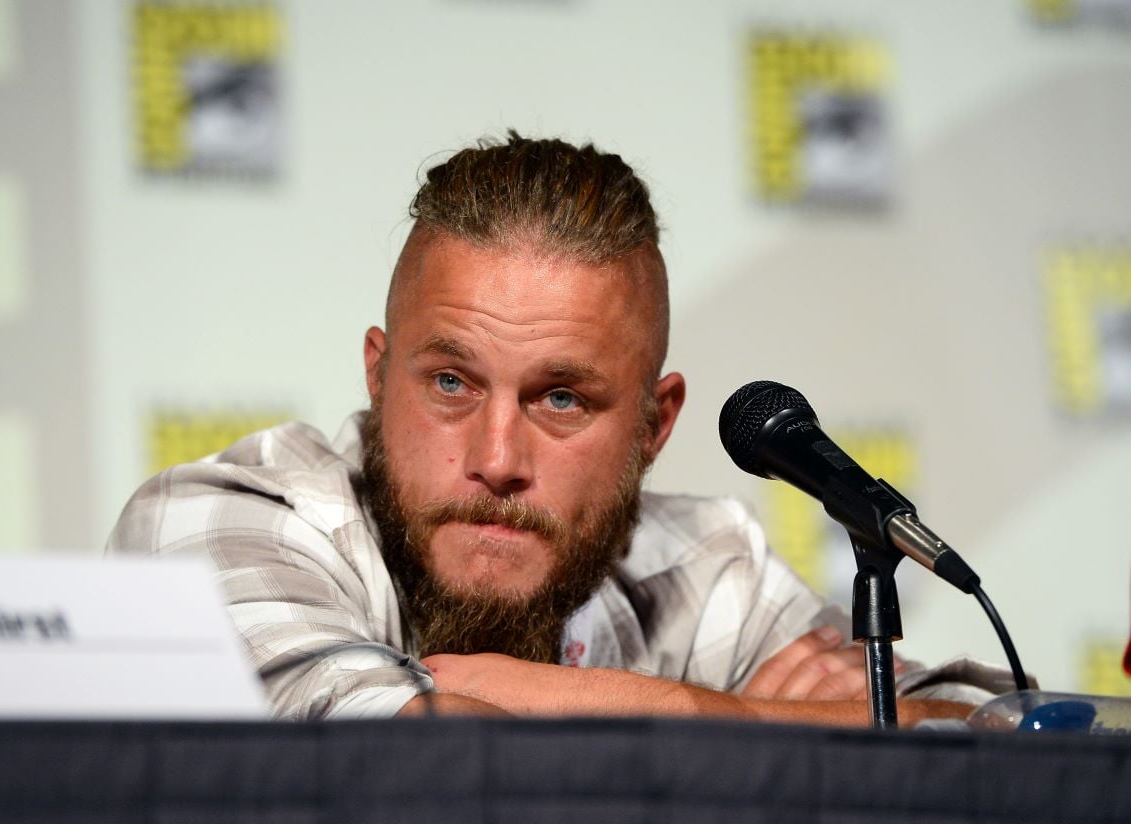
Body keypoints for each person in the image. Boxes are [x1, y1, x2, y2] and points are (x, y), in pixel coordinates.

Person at [109, 132, 1008, 724]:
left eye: (562, 400)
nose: (496, 460)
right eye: (452, 382)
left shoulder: (700, 565)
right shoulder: (226, 518)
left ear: (656, 426)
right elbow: (422, 764)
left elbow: (991, 736)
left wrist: (676, 711)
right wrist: (768, 727)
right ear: (379, 377)